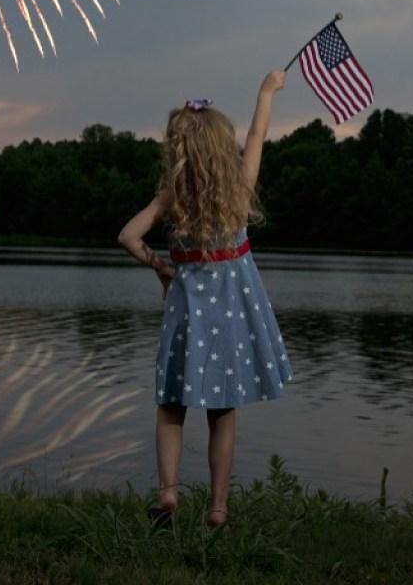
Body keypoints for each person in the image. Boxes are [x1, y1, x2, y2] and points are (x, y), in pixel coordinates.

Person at [117, 69, 293, 530]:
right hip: (230, 321)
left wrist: (161, 268)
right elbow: (258, 133)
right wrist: (266, 91)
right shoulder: (238, 190)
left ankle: (169, 494)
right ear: (220, 146)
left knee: (171, 406)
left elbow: (128, 236)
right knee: (222, 413)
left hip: (186, 315)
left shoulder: (171, 196)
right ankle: (218, 510)